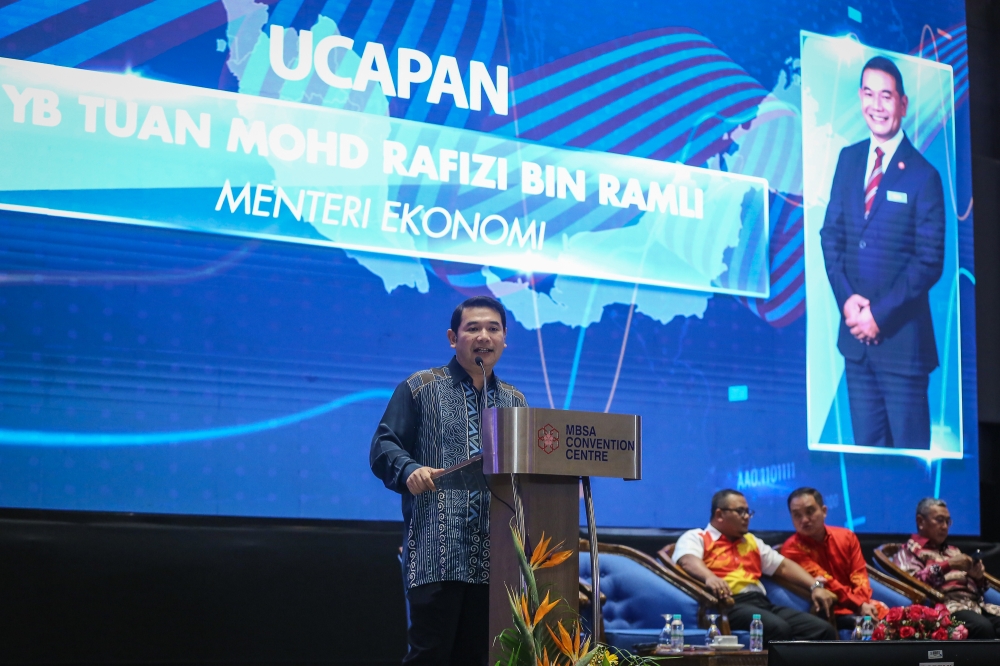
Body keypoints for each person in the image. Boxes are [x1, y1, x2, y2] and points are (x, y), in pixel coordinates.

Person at [369, 296, 527, 665]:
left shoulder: (515, 403)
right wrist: (411, 470)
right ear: (453, 338)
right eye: (472, 328)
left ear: (505, 339)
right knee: (431, 656)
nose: (483, 336)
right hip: (437, 554)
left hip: (497, 561)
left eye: (493, 328)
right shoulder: (421, 388)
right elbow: (383, 445)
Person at [820, 55, 945, 449]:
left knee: (908, 475)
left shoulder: (925, 176)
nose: (877, 105)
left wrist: (878, 314)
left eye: (886, 96)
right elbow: (831, 236)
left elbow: (928, 262)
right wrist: (849, 305)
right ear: (860, 97)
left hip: (903, 350)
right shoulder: (848, 159)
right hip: (856, 347)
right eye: (869, 94)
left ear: (902, 104)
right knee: (866, 469)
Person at [673, 489, 839, 643]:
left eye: (748, 512)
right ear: (719, 514)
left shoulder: (752, 541)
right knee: (777, 629)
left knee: (823, 630)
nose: (746, 517)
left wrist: (815, 586)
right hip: (728, 604)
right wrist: (710, 577)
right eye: (740, 512)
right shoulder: (697, 537)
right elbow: (687, 560)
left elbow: (783, 567)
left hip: (761, 603)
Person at [893, 498, 1000, 639]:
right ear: (920, 521)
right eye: (939, 520)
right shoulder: (909, 551)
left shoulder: (953, 551)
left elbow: (981, 589)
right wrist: (948, 565)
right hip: (945, 609)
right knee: (982, 627)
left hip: (976, 605)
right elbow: (914, 582)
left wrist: (978, 576)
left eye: (947, 521)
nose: (944, 527)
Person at [781, 487, 886, 629]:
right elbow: (828, 583)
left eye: (810, 512)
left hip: (861, 605)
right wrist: (859, 606)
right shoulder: (791, 549)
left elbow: (859, 575)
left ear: (824, 511)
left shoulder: (846, 537)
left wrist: (863, 604)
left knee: (901, 622)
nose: (804, 520)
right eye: (797, 515)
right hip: (829, 609)